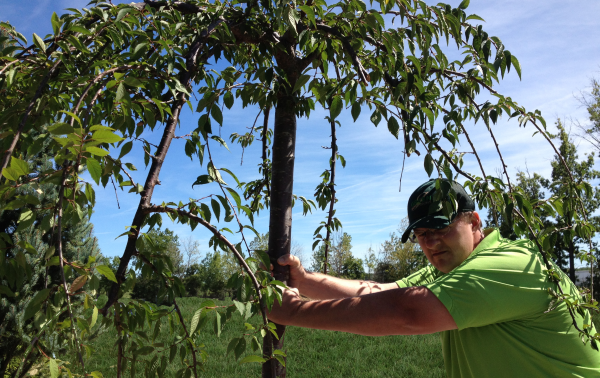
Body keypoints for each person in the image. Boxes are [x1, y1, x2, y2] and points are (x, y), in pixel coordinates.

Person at [267, 178, 600, 377]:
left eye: (441, 228)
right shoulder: (454, 267)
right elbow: (377, 291)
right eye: (421, 233)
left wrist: (294, 313)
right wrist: (305, 280)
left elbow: (408, 311)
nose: (429, 242)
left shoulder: (514, 264)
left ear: (474, 221)